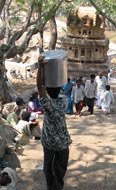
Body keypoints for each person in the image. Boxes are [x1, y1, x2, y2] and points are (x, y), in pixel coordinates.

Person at [36, 55, 72, 190]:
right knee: (61, 167)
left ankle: (51, 186)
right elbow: (57, 86)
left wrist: (41, 66)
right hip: (62, 142)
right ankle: (57, 185)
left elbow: (39, 86)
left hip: (49, 142)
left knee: (47, 166)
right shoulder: (64, 101)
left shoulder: (47, 103)